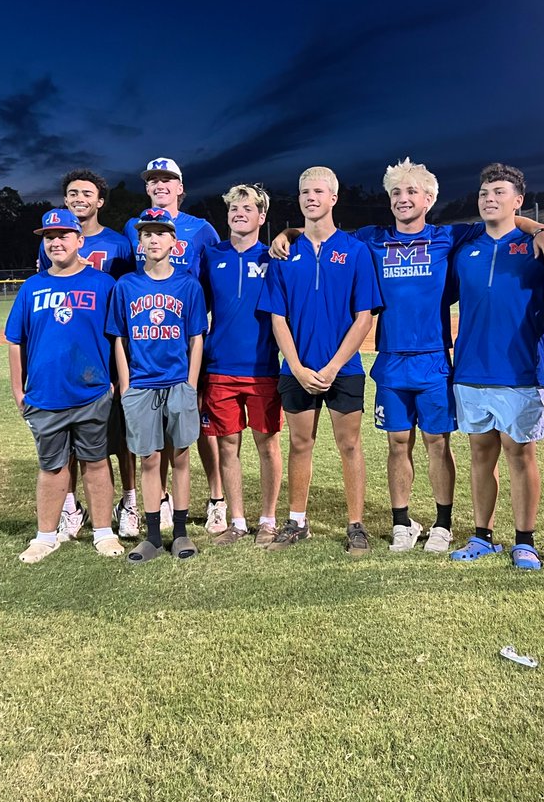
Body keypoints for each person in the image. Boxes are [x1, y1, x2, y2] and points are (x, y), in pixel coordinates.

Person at [271, 158, 544, 554]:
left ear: (429, 198)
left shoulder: (449, 237)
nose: (402, 200)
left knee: (437, 442)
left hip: (435, 358)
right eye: (395, 193)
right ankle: (402, 521)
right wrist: (289, 231)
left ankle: (442, 523)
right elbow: (324, 230)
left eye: (410, 192)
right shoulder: (372, 237)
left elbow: (505, 221)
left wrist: (539, 227)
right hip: (390, 358)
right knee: (397, 441)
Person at [258, 166, 382, 556]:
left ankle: (356, 525)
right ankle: (297, 521)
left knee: (349, 445)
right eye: (304, 192)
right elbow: (277, 317)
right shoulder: (284, 252)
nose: (311, 198)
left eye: (318, 191)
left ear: (333, 198)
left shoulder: (356, 250)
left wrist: (331, 367)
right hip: (296, 367)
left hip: (342, 368)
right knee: (299, 443)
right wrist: (295, 366)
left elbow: (365, 317)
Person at [448, 163, 544, 570]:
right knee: (480, 455)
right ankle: (482, 536)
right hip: (471, 367)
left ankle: (524, 540)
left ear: (518, 201)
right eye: (484, 192)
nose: (489, 198)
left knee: (520, 454)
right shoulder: (465, 250)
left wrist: (540, 230)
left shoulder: (536, 248)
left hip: (519, 370)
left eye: (499, 192)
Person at [6, 209, 124, 563]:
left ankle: (103, 532)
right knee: (51, 467)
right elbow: (15, 340)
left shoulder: (103, 284)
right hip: (46, 394)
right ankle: (45, 535)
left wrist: (117, 383)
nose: (56, 242)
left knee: (96, 462)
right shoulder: (32, 287)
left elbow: (117, 338)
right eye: (49, 237)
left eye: (63, 235)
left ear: (79, 240)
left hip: (92, 393)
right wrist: (17, 388)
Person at [123, 158, 226, 534]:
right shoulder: (135, 226)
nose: (160, 184)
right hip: (148, 347)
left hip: (189, 341)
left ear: (181, 187)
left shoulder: (200, 229)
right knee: (155, 434)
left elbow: (219, 271)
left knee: (199, 427)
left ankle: (216, 499)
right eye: (153, 180)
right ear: (147, 188)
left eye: (168, 179)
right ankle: (160, 500)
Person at [37, 170, 138, 544]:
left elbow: (127, 296)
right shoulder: (51, 240)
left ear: (100, 201)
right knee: (73, 441)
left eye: (87, 193)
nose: (79, 198)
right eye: (72, 193)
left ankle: (128, 502)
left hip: (107, 353)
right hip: (68, 361)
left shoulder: (120, 243)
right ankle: (69, 506)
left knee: (119, 437)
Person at [107, 207, 208, 562]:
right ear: (140, 241)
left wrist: (191, 384)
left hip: (178, 382)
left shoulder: (187, 284)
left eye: (160, 233)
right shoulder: (127, 285)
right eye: (146, 233)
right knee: (149, 460)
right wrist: (127, 383)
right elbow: (119, 337)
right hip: (142, 385)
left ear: (173, 241)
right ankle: (152, 535)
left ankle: (180, 533)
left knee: (180, 457)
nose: (153, 238)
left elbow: (196, 337)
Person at [200, 184, 283, 547]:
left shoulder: (274, 256)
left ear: (261, 217)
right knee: (227, 447)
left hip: (262, 367)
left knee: (267, 446)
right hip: (219, 368)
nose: (239, 213)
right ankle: (236, 520)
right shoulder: (210, 255)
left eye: (247, 208)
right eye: (234, 207)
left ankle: (267, 519)